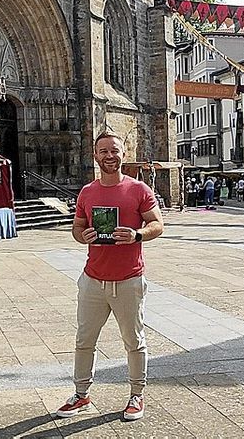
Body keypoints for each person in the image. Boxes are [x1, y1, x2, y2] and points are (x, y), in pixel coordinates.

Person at [56, 131, 164, 422]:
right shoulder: (87, 192)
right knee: (84, 340)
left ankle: (136, 395)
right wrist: (84, 236)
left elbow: (158, 224)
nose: (109, 156)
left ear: (123, 153)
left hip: (129, 279)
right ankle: (81, 395)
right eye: (103, 151)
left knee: (134, 340)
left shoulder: (139, 189)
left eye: (114, 150)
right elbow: (78, 229)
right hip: (93, 279)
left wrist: (137, 234)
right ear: (95, 155)